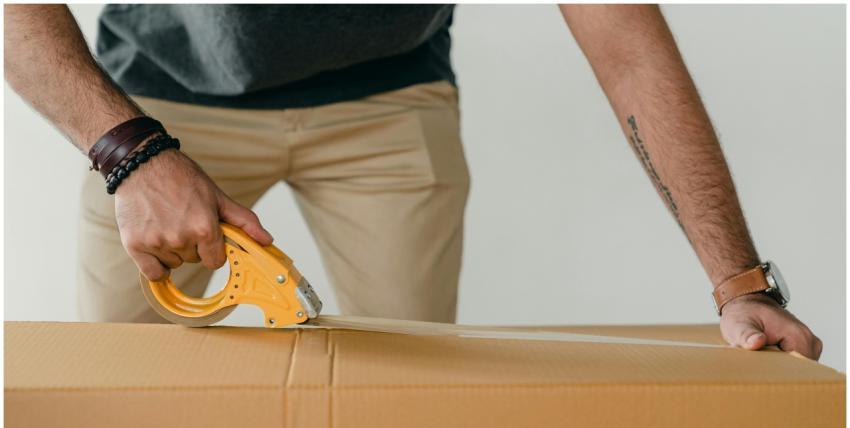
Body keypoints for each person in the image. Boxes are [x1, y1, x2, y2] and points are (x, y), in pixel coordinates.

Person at [4, 4, 822, 359]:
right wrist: (130, 153)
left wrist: (739, 282)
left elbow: (630, 48)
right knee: (121, 382)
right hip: (158, 99)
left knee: (403, 393)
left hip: (388, 99)